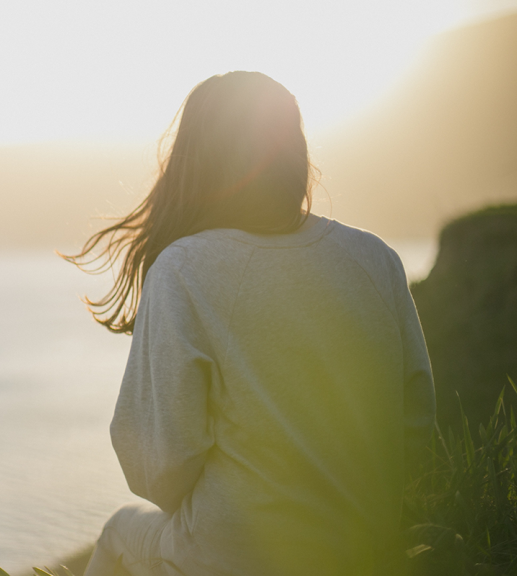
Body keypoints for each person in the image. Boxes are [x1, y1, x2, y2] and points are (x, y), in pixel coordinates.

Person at [64, 71, 436, 576]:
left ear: (194, 160)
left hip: (235, 554)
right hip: (364, 544)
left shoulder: (183, 268)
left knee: (117, 534)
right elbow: (415, 427)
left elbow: (157, 471)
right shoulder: (375, 257)